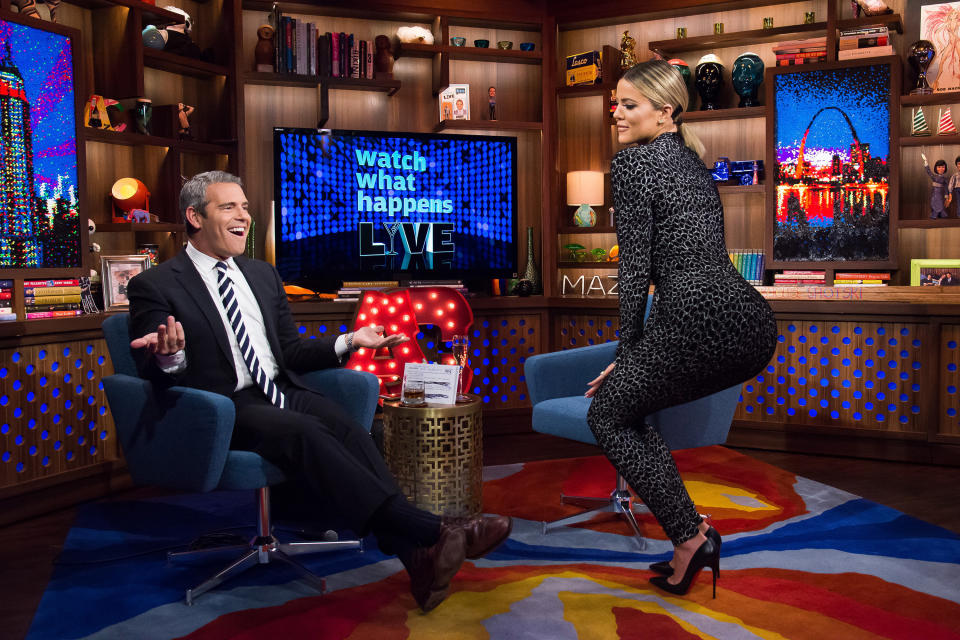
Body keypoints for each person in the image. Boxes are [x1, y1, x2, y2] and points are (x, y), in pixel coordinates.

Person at [126, 171, 511, 613]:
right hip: (223, 405)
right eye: (228, 207)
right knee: (304, 432)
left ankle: (419, 555)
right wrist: (169, 357)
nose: (243, 216)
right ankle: (438, 529)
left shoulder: (262, 275)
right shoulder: (156, 284)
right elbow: (153, 371)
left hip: (280, 388)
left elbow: (288, 351)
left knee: (350, 428)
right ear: (194, 216)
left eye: (246, 207)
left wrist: (352, 341)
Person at [586, 60, 777, 598]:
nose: (616, 112)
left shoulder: (633, 165)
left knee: (608, 412)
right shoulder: (692, 162)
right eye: (616, 103)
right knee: (626, 408)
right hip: (748, 321)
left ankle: (691, 537)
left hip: (698, 319)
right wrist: (635, 358)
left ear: (665, 111)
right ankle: (690, 537)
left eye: (629, 104)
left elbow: (633, 272)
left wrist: (626, 353)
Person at [922, 153, 949, 219]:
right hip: (934, 194)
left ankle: (939, 215)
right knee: (934, 204)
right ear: (936, 168)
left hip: (940, 195)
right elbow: (929, 172)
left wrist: (946, 195)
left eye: (943, 167)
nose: (941, 169)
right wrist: (926, 162)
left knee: (940, 205)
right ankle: (936, 215)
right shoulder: (934, 177)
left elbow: (946, 187)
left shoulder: (945, 179)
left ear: (945, 168)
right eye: (939, 167)